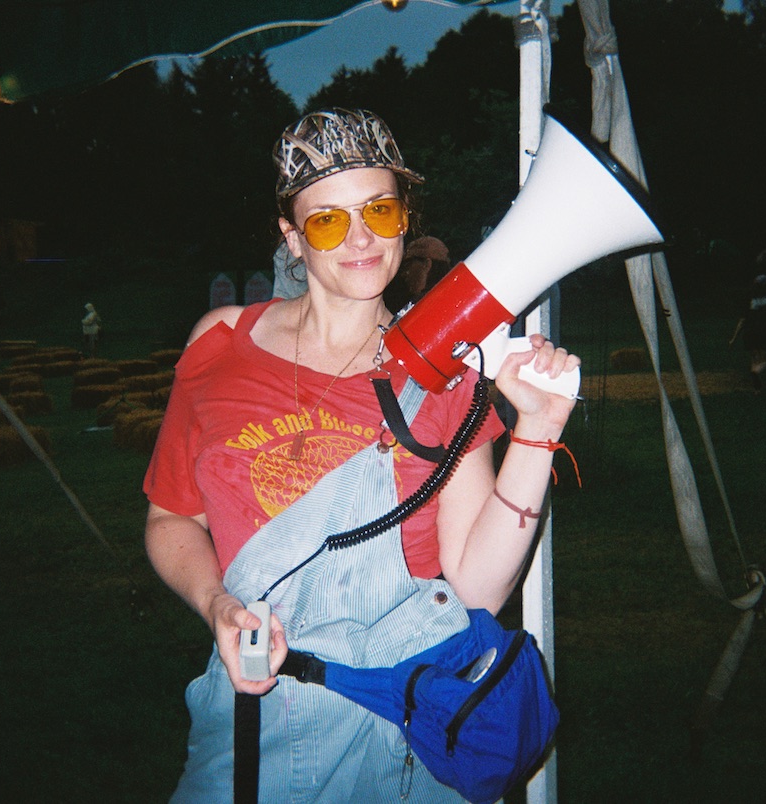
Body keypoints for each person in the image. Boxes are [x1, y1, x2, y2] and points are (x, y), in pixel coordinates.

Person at [143, 107, 580, 801]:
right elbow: (170, 517)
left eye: (379, 209)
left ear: (405, 216)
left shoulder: (443, 374)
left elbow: (476, 589)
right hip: (252, 722)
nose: (359, 239)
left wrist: (536, 429)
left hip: (398, 727)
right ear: (291, 236)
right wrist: (216, 602)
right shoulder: (218, 343)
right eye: (326, 220)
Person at [728, 273, 766, 390]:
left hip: (750, 331)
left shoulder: (749, 297)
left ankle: (757, 387)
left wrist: (733, 338)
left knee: (755, 357)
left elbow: (742, 320)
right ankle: (756, 373)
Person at [383, 234, 449, 314]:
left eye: (408, 265)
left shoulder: (419, 308)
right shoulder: (451, 298)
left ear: (427, 264)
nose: (404, 273)